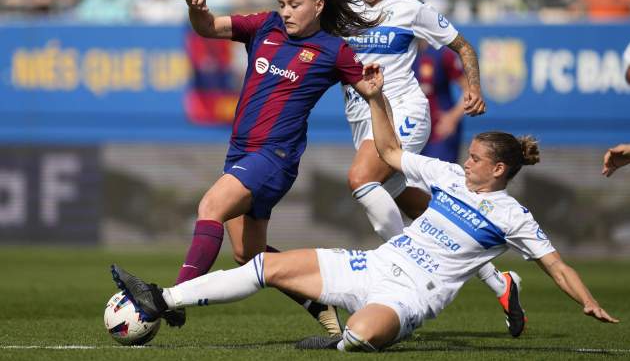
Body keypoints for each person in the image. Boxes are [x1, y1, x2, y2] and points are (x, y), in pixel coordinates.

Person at [110, 70, 618, 352]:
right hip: (373, 263)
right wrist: (377, 99)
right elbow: (392, 154)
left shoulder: (513, 217)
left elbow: (557, 266)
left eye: (477, 158)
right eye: (469, 155)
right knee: (264, 266)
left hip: (410, 296)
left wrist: (587, 301)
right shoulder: (447, 177)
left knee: (362, 337)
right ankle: (160, 298)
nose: (466, 161)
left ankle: (342, 342)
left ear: (501, 170)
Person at [163, 0, 383, 335]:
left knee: (210, 206)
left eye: (294, 5)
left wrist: (384, 130)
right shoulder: (265, 26)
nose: (286, 11)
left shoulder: (334, 50)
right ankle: (318, 298)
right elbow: (209, 28)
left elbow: (370, 93)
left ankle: (175, 296)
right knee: (247, 255)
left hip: (275, 157)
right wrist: (197, 12)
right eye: (282, 3)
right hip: (241, 153)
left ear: (318, 6)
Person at [341, 0, 524, 336]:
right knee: (404, 199)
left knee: (360, 179)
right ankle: (499, 281)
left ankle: (402, 276)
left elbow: (463, 46)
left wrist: (473, 88)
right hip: (363, 121)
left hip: (404, 113)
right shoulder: (346, 11)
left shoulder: (410, 9)